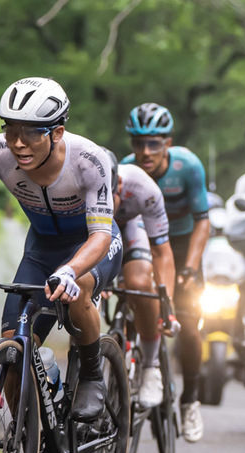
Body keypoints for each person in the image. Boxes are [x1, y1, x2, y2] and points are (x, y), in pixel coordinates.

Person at [0, 77, 122, 437]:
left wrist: (68, 270)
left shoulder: (89, 160)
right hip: (43, 246)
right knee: (14, 346)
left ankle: (93, 375)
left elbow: (99, 235)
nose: (18, 143)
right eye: (11, 130)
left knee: (77, 286)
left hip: (91, 244)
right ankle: (32, 444)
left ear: (58, 131)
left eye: (31, 133)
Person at [122, 102, 209, 442]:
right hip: (144, 240)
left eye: (154, 143)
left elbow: (204, 221)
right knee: (134, 298)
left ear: (167, 143)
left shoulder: (188, 167)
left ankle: (189, 400)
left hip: (184, 242)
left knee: (187, 324)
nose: (145, 151)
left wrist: (189, 268)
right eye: (138, 142)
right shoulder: (127, 169)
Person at [108, 149, 177, 409]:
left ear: (120, 186)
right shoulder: (85, 186)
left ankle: (151, 367)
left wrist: (166, 303)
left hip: (133, 225)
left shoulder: (142, 188)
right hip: (96, 227)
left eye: (110, 195)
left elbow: (162, 252)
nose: (106, 200)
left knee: (138, 284)